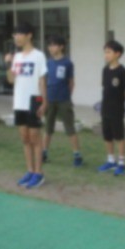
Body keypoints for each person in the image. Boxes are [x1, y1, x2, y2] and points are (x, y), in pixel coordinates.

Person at [5, 22, 48, 189]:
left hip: (34, 100)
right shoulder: (16, 57)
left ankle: (39, 173)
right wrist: (8, 64)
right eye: (14, 34)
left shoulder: (38, 55)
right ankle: (30, 171)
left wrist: (44, 101)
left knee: (35, 137)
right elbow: (11, 80)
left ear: (29, 35)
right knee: (24, 138)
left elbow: (42, 80)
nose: (16, 37)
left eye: (19, 34)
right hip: (19, 102)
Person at [42, 35, 82, 166]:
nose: (50, 48)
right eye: (49, 45)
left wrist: (68, 97)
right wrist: (44, 98)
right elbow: (44, 81)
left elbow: (71, 83)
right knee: (48, 127)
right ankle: (44, 153)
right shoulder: (48, 63)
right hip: (50, 99)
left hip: (64, 100)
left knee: (69, 127)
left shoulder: (67, 63)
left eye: (53, 45)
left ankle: (77, 155)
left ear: (61, 47)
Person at [98, 40, 125, 176]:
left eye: (109, 52)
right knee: (107, 135)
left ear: (118, 54)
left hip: (117, 109)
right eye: (105, 52)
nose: (106, 55)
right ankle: (111, 160)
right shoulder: (105, 70)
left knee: (119, 136)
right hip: (105, 108)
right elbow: (105, 88)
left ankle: (122, 163)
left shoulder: (123, 71)